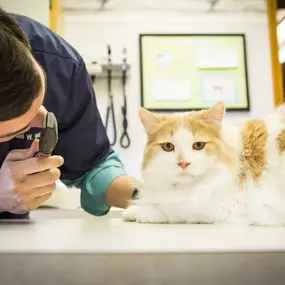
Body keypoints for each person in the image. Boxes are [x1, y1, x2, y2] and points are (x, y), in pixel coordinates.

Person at [0, 7, 137, 219]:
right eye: (15, 131)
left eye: (38, 105)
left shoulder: (59, 62)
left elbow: (93, 167)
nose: (43, 120)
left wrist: (150, 197)